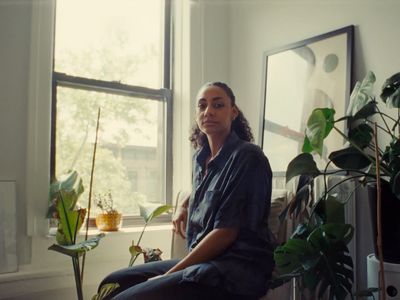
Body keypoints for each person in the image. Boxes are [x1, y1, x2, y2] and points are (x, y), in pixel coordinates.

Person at [98, 82, 275, 300]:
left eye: (218, 105)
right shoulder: (200, 159)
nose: (208, 111)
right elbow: (213, 188)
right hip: (204, 263)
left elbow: (226, 232)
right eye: (202, 106)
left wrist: (168, 276)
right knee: (112, 283)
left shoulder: (248, 157)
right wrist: (183, 205)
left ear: (233, 112)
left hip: (236, 269)